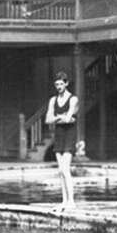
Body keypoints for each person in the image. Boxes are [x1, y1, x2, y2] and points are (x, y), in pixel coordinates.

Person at [44, 71, 78, 209]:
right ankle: (64, 200)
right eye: (56, 84)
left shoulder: (73, 99)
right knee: (60, 170)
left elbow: (69, 117)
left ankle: (72, 201)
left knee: (65, 169)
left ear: (66, 84)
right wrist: (60, 117)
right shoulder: (53, 100)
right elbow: (48, 119)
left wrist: (58, 117)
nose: (58, 87)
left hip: (69, 134)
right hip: (59, 135)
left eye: (61, 84)